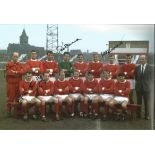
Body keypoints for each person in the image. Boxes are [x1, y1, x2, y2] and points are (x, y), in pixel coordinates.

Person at [6, 52, 24, 117]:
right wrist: (18, 73)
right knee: (10, 97)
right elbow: (9, 73)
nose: (16, 58)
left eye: (17, 56)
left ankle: (18, 110)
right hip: (11, 84)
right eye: (14, 56)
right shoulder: (8, 64)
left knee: (19, 97)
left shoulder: (20, 64)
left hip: (19, 84)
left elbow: (23, 71)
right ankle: (8, 111)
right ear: (12, 57)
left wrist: (16, 72)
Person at [135, 55, 153, 120]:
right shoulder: (137, 68)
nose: (141, 60)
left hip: (147, 88)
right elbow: (136, 77)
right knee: (138, 102)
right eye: (140, 59)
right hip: (139, 88)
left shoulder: (151, 68)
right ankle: (138, 114)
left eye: (142, 59)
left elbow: (152, 78)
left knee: (147, 102)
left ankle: (147, 115)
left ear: (146, 60)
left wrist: (149, 85)